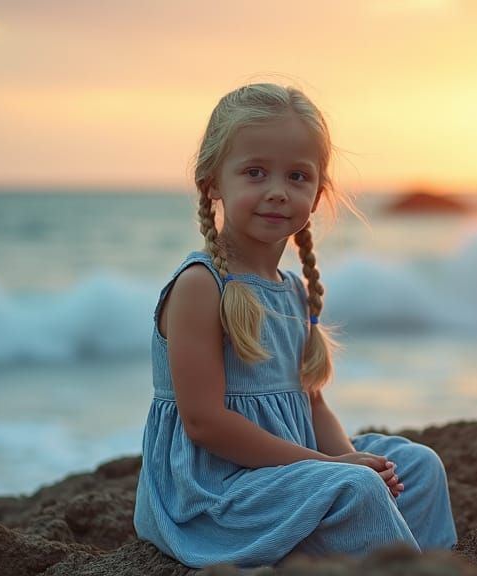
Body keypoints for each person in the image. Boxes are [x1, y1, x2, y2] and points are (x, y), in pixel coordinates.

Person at [133, 82, 457, 568]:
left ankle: (420, 562)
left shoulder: (291, 288)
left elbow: (314, 404)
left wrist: (358, 462)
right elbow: (203, 423)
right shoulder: (202, 286)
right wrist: (332, 469)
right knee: (354, 486)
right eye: (255, 172)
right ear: (213, 182)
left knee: (418, 467)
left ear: (318, 191)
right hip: (212, 495)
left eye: (297, 176)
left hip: (287, 472)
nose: (277, 192)